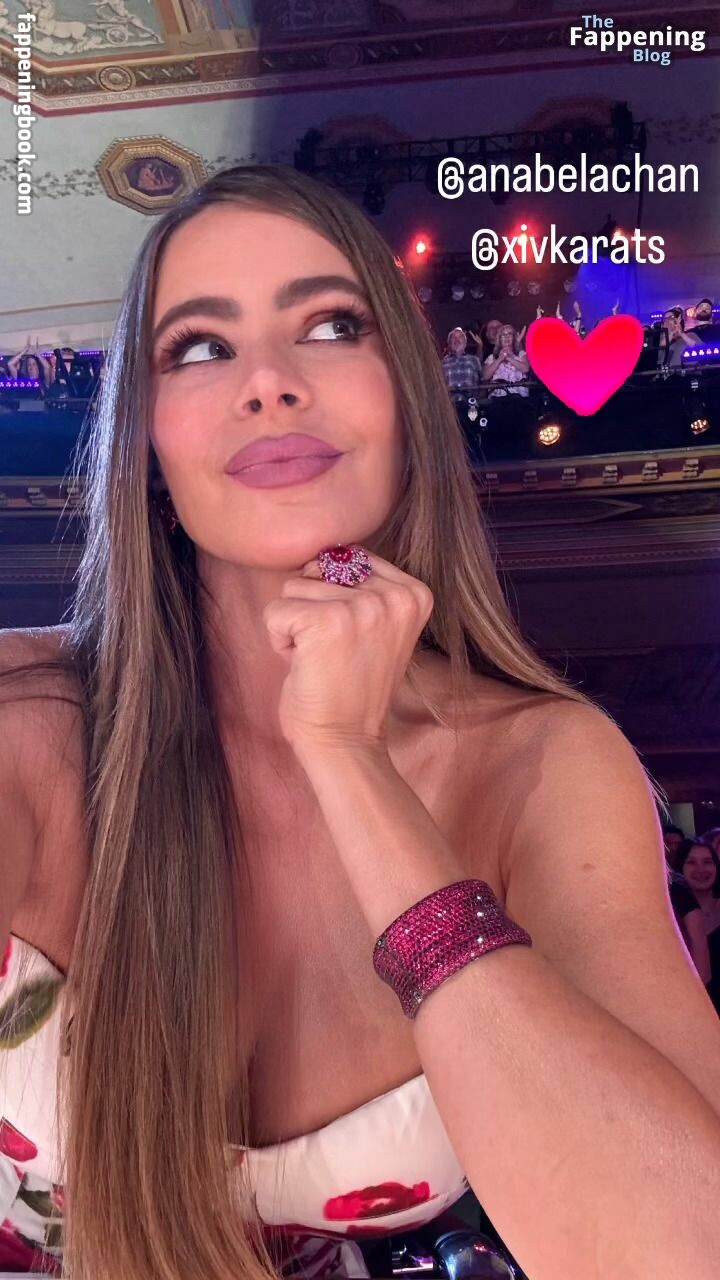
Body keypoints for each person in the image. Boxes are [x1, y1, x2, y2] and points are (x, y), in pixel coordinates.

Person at [1, 165, 720, 1280]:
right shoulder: (19, 719)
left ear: (408, 401)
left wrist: (349, 758)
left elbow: (681, 1248)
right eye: (201, 346)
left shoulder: (544, 762)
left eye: (333, 326)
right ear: (148, 445)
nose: (270, 384)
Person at [668, 839, 720, 1016]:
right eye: (691, 862)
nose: (701, 869)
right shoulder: (671, 916)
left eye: (707, 862)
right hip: (693, 1010)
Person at [482, 325, 530, 397]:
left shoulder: (521, 354)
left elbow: (526, 369)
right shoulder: (492, 357)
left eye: (509, 334)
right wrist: (499, 359)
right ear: (499, 339)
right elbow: (485, 376)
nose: (506, 337)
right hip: (497, 397)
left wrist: (509, 358)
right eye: (503, 334)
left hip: (519, 397)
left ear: (514, 338)